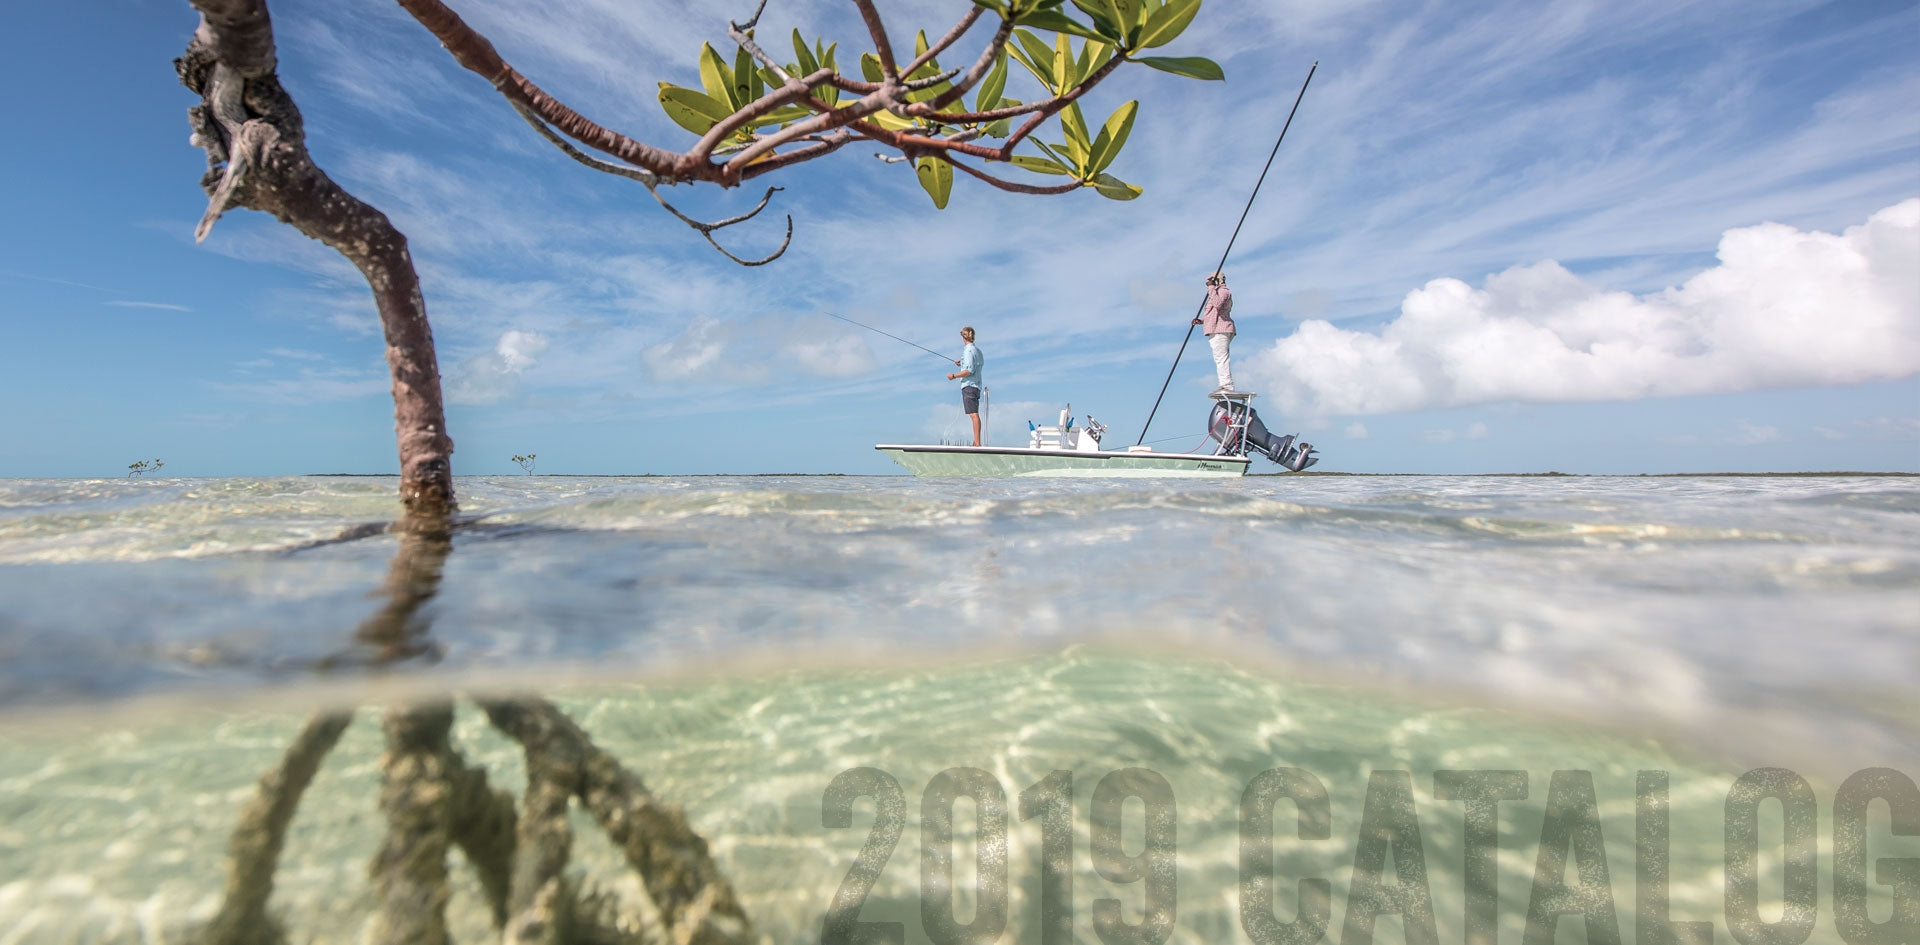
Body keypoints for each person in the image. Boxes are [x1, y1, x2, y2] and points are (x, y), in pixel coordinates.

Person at [1192, 271, 1235, 394]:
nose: (1208, 283)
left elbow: (1218, 304)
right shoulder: (1216, 293)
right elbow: (1213, 313)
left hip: (1221, 329)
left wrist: (1211, 287)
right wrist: (1201, 321)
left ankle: (1227, 385)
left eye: (1210, 280)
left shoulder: (1223, 291)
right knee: (1219, 358)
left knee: (1221, 358)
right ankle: (1225, 384)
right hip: (1216, 329)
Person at [945, 326, 984, 447]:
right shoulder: (977, 350)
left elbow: (969, 371)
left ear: (963, 337)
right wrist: (961, 362)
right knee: (974, 414)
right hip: (976, 385)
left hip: (969, 386)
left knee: (973, 414)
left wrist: (954, 375)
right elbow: (976, 364)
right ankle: (976, 442)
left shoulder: (967, 351)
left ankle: (977, 443)